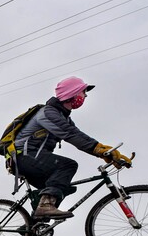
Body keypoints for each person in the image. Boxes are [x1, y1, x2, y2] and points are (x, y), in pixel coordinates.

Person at [12, 76, 132, 219]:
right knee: (68, 166)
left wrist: (104, 152)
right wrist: (100, 149)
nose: (85, 95)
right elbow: (71, 135)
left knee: (62, 187)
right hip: (22, 157)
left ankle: (33, 225)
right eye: (83, 92)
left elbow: (79, 136)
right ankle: (45, 207)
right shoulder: (48, 113)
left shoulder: (63, 117)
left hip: (30, 158)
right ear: (72, 93)